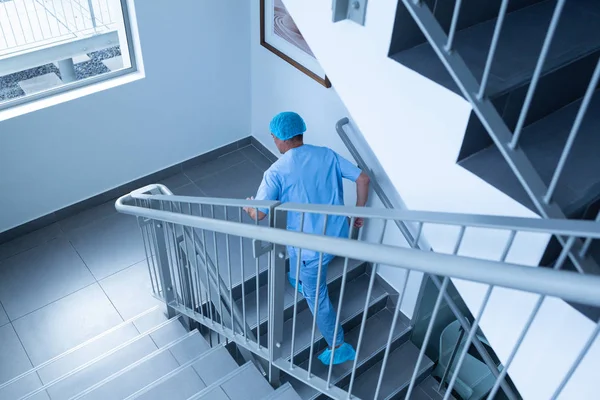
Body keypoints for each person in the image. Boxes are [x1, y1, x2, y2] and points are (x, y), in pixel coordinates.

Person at [243, 111, 370, 365]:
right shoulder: (326, 154)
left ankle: (338, 345)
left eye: (273, 138)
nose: (273, 143)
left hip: (310, 252)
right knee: (298, 253)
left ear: (281, 139)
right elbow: (363, 179)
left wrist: (247, 206)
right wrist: (359, 211)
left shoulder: (276, 171)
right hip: (338, 235)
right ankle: (297, 278)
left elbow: (258, 214)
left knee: (317, 296)